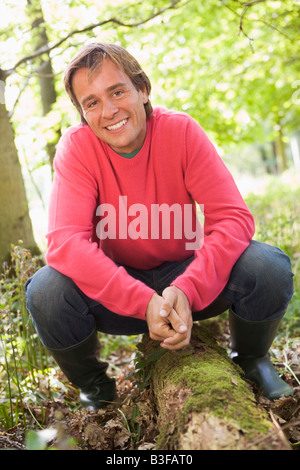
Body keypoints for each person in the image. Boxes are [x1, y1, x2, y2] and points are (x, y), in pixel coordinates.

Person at [26, 43, 294, 409]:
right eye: (91, 102)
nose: (109, 111)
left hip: (185, 275)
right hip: (118, 286)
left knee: (268, 266)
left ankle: (251, 358)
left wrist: (187, 288)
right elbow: (65, 243)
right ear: (83, 113)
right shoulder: (77, 149)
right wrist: (142, 301)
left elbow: (232, 217)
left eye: (117, 91)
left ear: (142, 89)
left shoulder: (180, 131)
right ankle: (94, 386)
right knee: (45, 290)